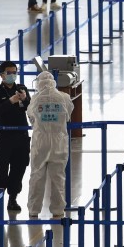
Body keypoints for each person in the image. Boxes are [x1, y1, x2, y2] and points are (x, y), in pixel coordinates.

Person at [26, 71, 73, 219]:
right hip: (59, 141)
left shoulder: (35, 99)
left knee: (37, 175)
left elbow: (31, 117)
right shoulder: (64, 97)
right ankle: (58, 210)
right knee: (58, 177)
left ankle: (34, 210)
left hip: (40, 142)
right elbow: (68, 115)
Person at [0, 61, 31, 214]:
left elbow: (30, 108)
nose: (12, 75)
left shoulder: (21, 89)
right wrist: (10, 101)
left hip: (21, 135)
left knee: (19, 167)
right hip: (4, 136)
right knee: (1, 168)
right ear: (1, 75)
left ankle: (13, 198)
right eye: (9, 73)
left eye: (15, 72)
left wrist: (25, 98)